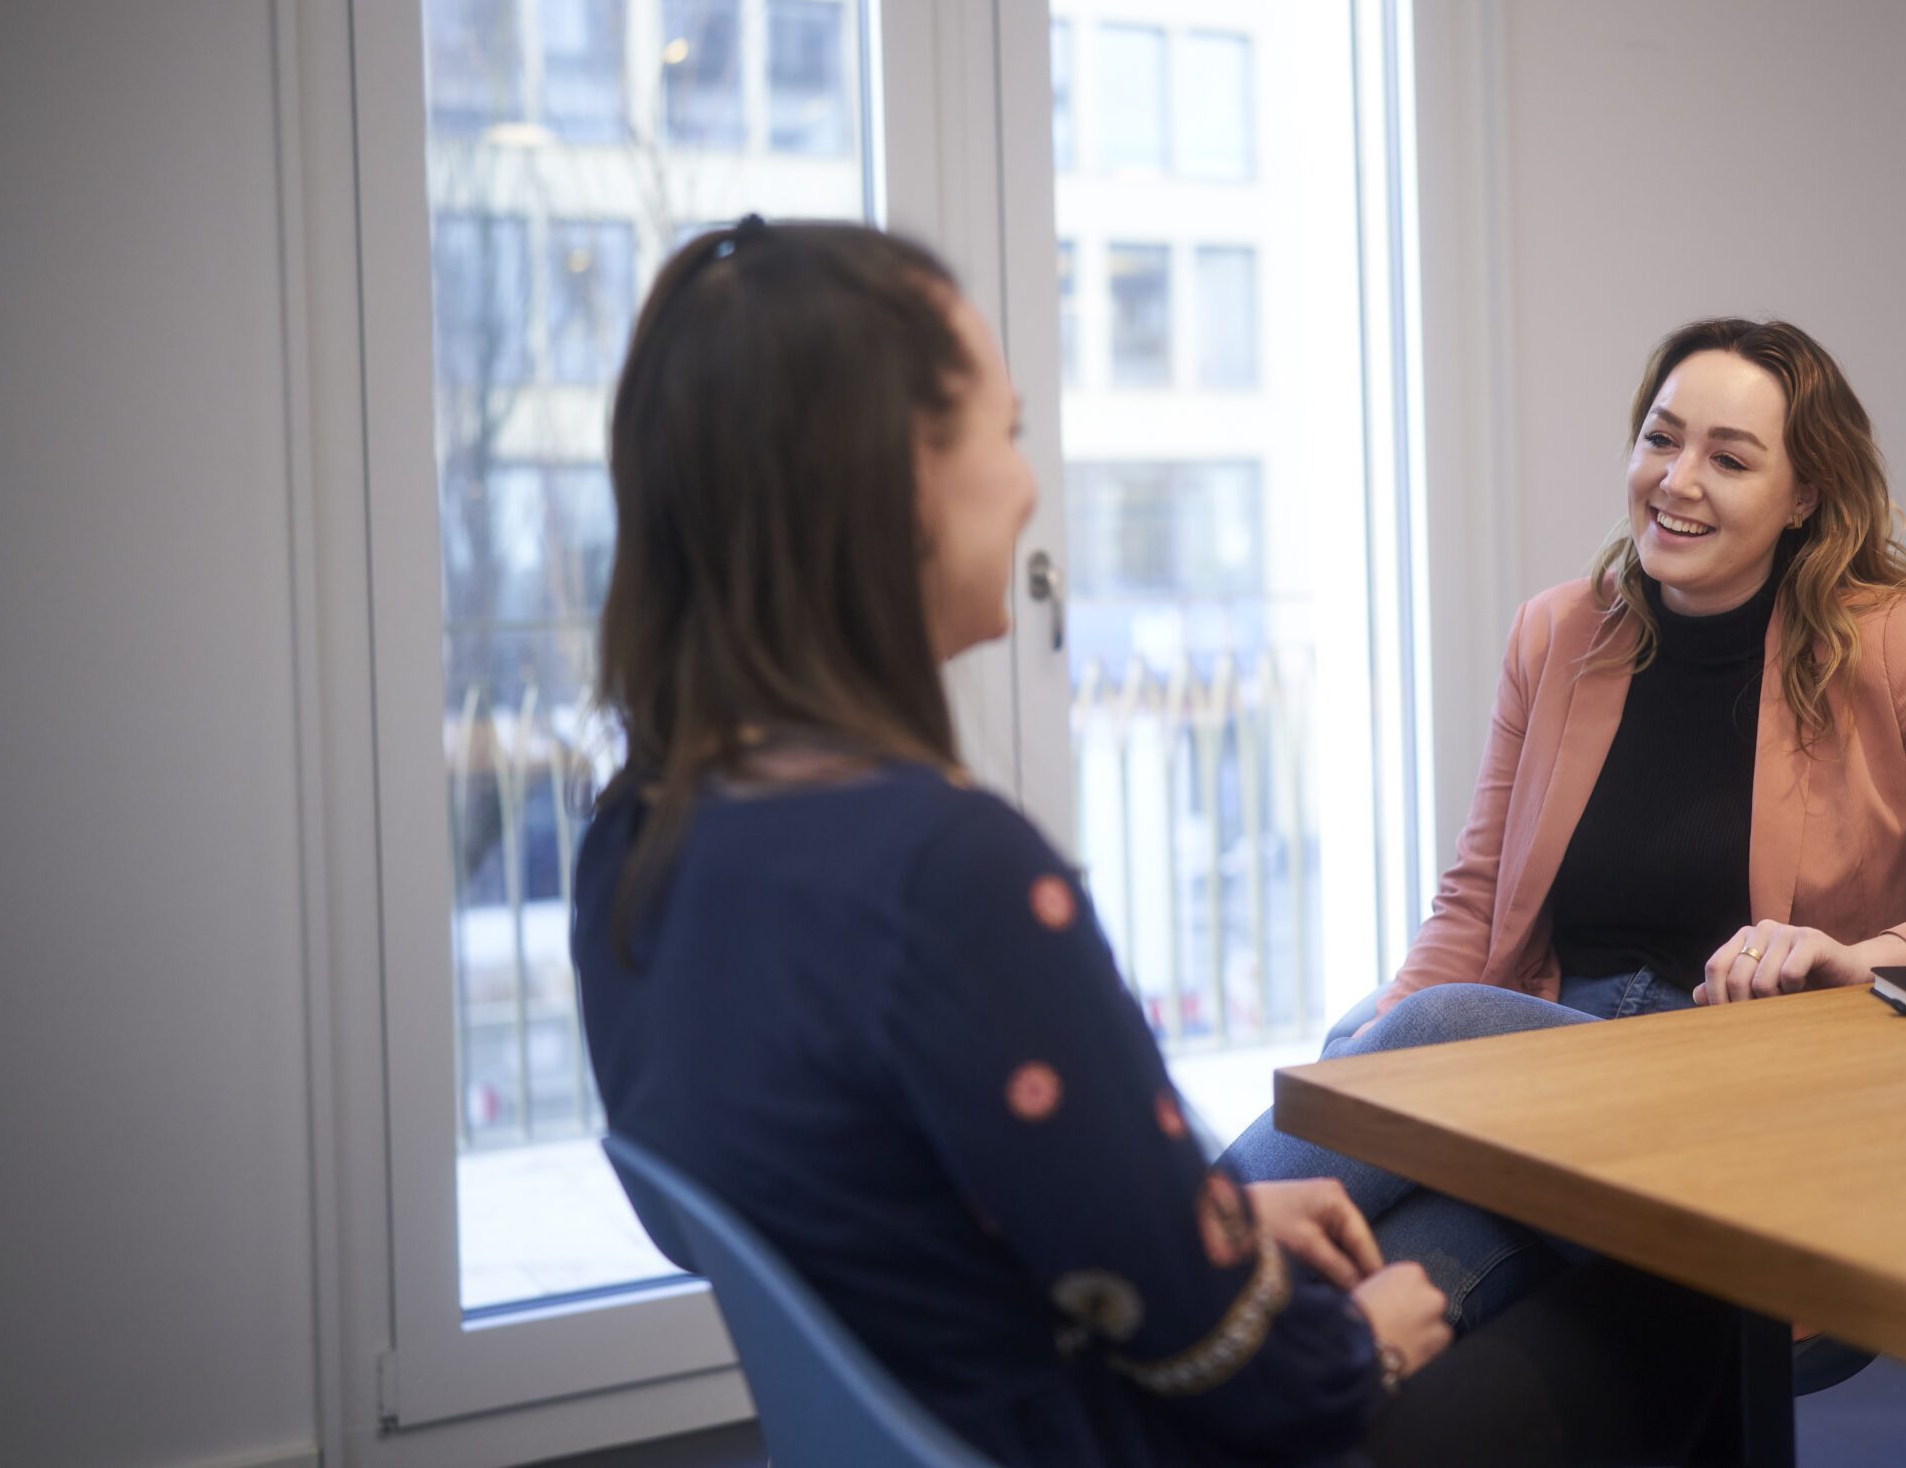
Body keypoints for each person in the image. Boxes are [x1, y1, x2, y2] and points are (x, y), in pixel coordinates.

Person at [571, 218, 1735, 1468]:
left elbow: (859, 1199)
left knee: (1439, 1208)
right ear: (888, 480)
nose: (1026, 486)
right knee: (1691, 1289)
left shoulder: (639, 836)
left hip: (950, 1412)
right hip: (1130, 1438)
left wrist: (1206, 1220)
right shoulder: (947, 877)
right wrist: (1366, 1344)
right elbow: (1233, 1368)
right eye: (1005, 435)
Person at [1226, 316, 1906, 1327]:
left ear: (1802, 495)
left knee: (1437, 1030)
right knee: (1354, 1300)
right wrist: (1365, 1056)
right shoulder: (1558, 633)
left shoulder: (1887, 642)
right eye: (1661, 439)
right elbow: (1475, 902)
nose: (1676, 481)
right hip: (1553, 1070)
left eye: (1729, 457)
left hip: (1744, 1098)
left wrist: (1875, 957)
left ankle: (1160, 1242)